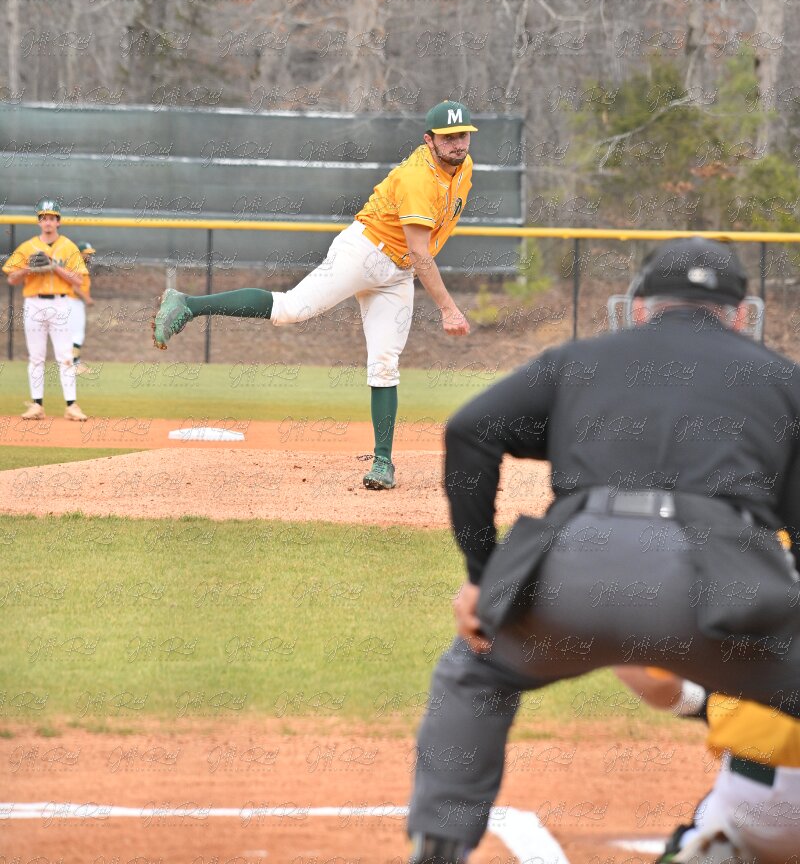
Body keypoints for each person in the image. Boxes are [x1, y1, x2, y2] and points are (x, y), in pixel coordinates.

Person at [406, 237, 800, 864]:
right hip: (712, 594)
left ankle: (438, 846)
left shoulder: (580, 360)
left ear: (639, 306)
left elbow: (470, 429)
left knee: (477, 671)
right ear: (739, 315)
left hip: (573, 577)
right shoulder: (781, 379)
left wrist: (483, 577)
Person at [153, 100, 477, 490]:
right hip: (364, 252)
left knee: (385, 363)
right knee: (290, 308)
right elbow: (422, 253)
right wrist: (448, 309)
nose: (458, 143)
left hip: (398, 273)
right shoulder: (417, 178)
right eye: (448, 137)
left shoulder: (464, 167)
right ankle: (188, 304)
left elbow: (419, 252)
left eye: (462, 135)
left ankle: (382, 464)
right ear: (429, 140)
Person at [615, 666, 800, 864]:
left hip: (744, 810)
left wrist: (614, 651)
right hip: (748, 800)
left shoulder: (749, 652)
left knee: (708, 839)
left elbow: (660, 685)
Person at [3, 199, 90, 421]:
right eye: (44, 218)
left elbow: (78, 280)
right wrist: (28, 268)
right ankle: (37, 406)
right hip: (34, 303)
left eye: (51, 218)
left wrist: (55, 266)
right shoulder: (27, 247)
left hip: (60, 304)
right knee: (36, 357)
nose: (48, 222)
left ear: (58, 222)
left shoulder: (68, 246)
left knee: (65, 356)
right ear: (39, 222)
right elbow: (12, 279)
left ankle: (71, 406)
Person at [67, 242, 96, 376]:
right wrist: (87, 299)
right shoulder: (77, 265)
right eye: (87, 253)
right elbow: (74, 287)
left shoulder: (80, 265)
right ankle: (74, 364)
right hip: (72, 301)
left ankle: (74, 363)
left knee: (75, 334)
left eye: (91, 254)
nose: (89, 256)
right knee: (77, 335)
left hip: (74, 302)